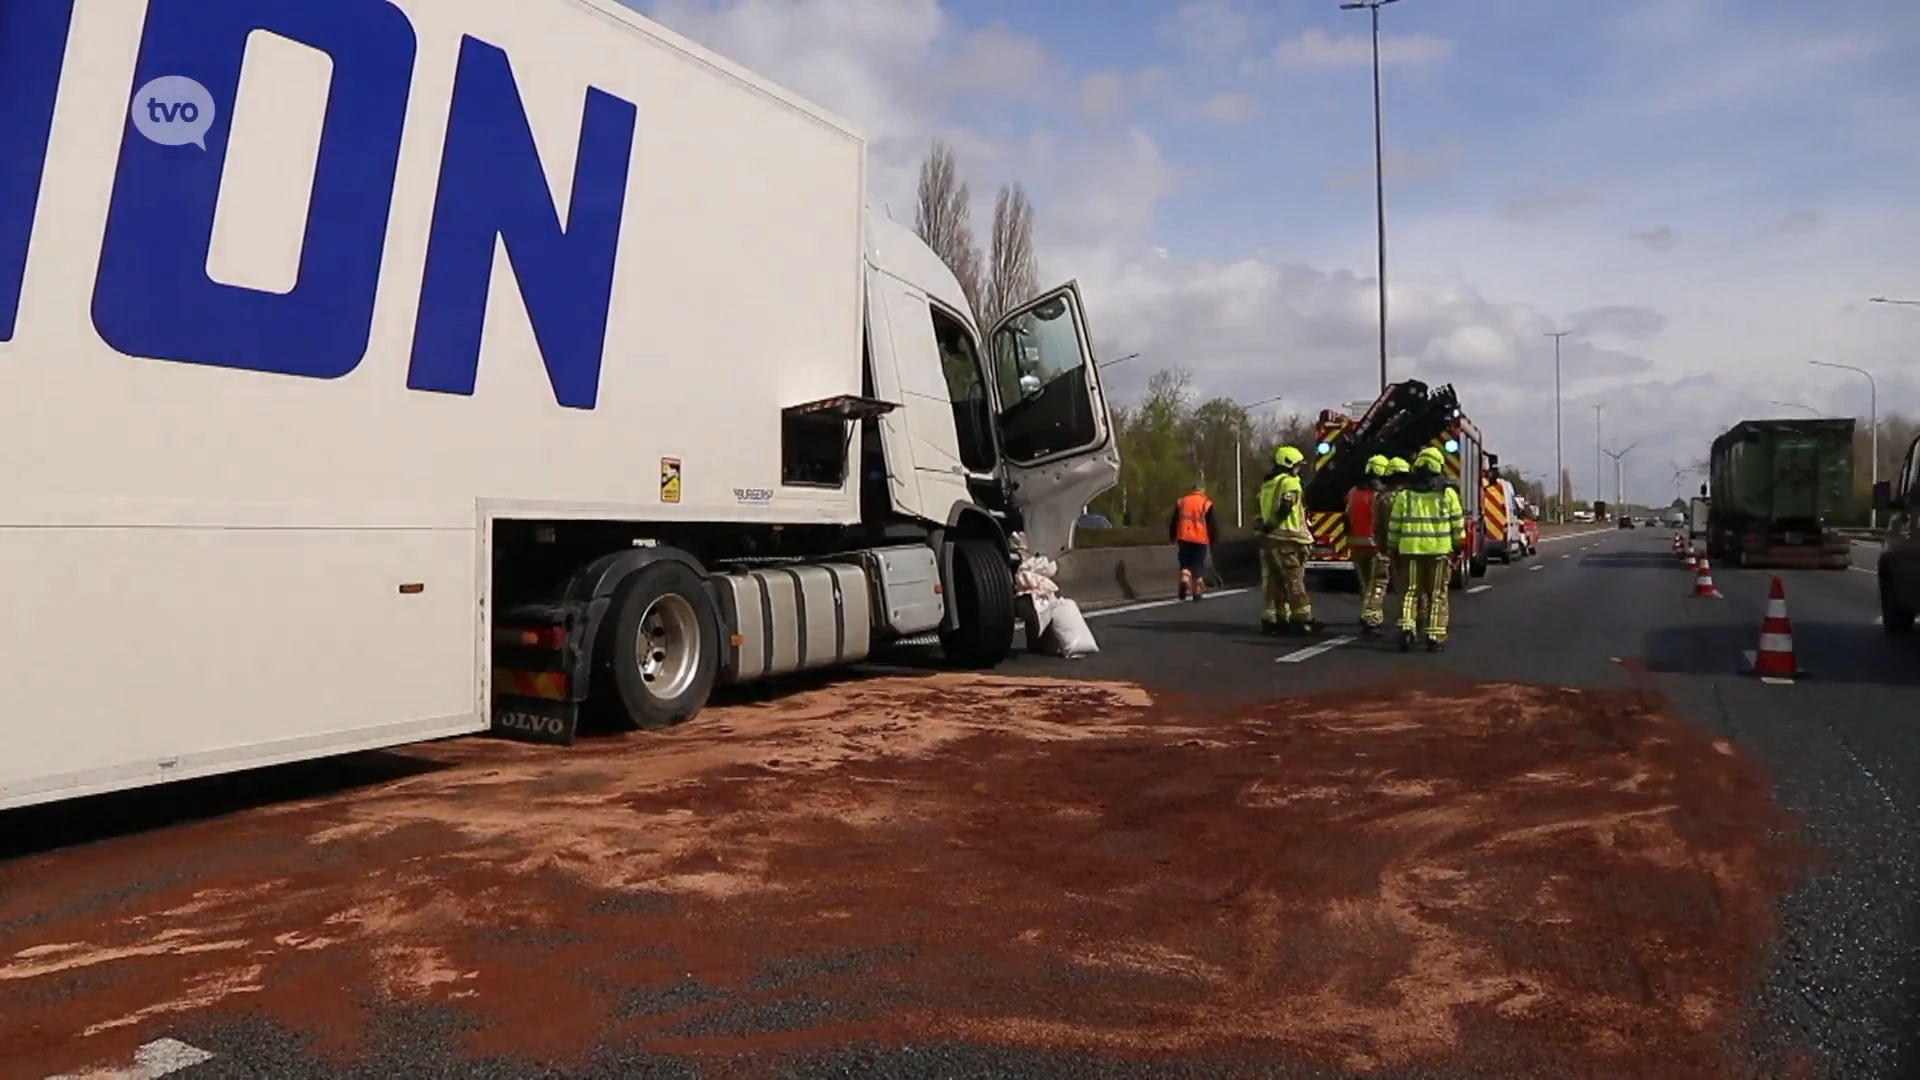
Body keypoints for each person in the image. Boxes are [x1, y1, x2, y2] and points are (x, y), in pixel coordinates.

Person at [1387, 446, 1465, 652]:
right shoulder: (1447, 494)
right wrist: (1458, 547)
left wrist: (1392, 548)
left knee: (1410, 592)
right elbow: (1457, 525)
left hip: (1410, 551)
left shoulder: (1405, 495)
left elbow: (1394, 525)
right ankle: (1434, 635)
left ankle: (1407, 628)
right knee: (1437, 593)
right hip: (1439, 552)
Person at [1256, 445, 1322, 636]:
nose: (1299, 469)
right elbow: (1286, 507)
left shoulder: (1267, 484)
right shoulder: (1290, 482)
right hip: (1290, 538)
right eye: (1297, 465)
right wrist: (1273, 524)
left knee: (1273, 580)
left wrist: (1266, 528)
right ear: (1289, 464)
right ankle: (1303, 619)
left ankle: (1274, 618)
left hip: (1270, 539)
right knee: (1294, 579)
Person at [1348, 454, 1391, 637]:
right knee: (1378, 584)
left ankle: (1366, 613)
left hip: (1357, 546)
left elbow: (1347, 518)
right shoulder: (1381, 496)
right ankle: (1371, 620)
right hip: (1376, 547)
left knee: (1366, 584)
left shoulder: (1352, 493)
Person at [1168, 482, 1219, 601]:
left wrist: (1172, 535)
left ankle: (1185, 578)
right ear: (1202, 490)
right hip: (1200, 538)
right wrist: (1214, 540)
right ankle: (1197, 590)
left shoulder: (1182, 501)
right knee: (1198, 563)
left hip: (1184, 537)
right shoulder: (1206, 503)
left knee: (1185, 561)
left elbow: (1174, 520)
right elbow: (1212, 524)